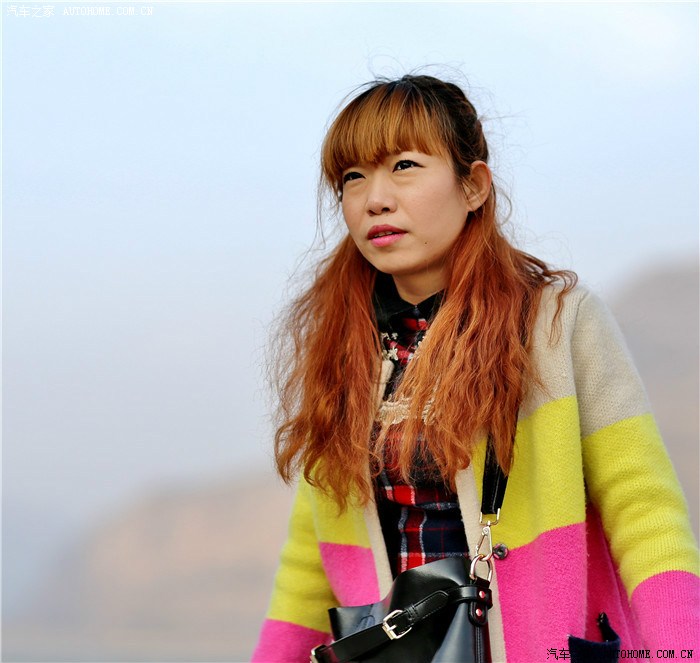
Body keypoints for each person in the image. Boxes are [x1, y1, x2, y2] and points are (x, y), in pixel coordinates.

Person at [251, 74, 699, 663]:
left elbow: (645, 513)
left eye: (404, 166)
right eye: (352, 177)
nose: (374, 199)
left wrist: (681, 653)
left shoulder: (556, 322)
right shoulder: (342, 343)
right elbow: (313, 559)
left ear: (473, 186)